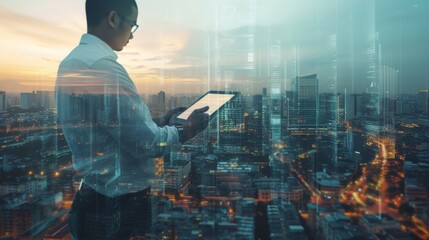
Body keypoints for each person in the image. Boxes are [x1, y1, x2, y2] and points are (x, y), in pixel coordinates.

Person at [55, 0, 209, 239]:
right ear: (113, 19)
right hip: (117, 207)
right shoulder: (103, 68)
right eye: (133, 25)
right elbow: (145, 144)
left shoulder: (72, 61)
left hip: (94, 195)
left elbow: (106, 127)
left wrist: (158, 121)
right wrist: (185, 131)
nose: (132, 35)